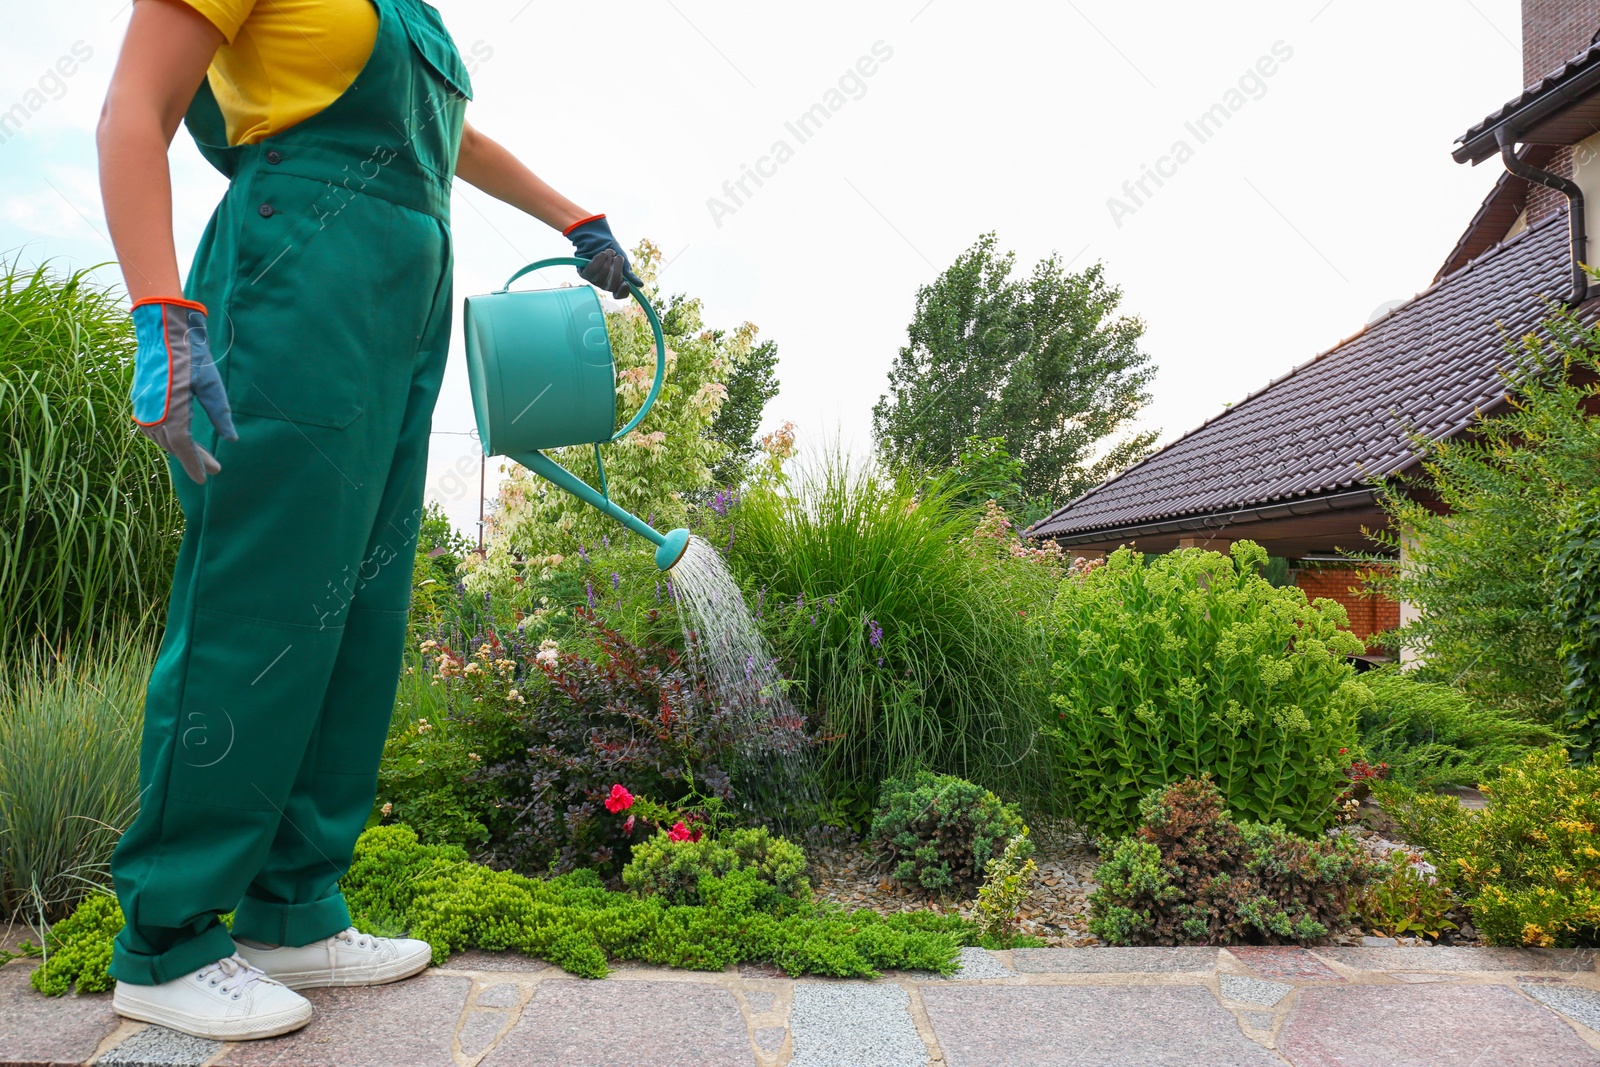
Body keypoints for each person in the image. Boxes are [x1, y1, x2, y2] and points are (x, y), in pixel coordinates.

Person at [97, 0, 638, 1041]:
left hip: (399, 302)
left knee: (356, 612)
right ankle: (164, 939)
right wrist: (159, 309)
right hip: (291, 281)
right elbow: (135, 107)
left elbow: (452, 141)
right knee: (258, 605)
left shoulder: (410, 13)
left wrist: (576, 219)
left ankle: (294, 907)